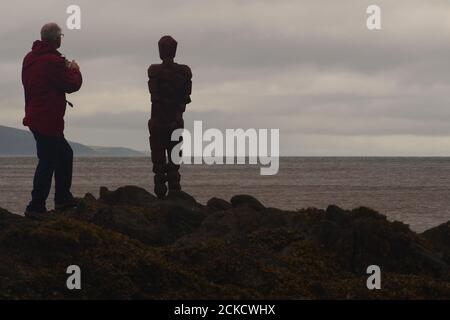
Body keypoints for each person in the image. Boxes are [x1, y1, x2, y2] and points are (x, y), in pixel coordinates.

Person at [22, 23, 82, 218]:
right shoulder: (52, 61)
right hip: (48, 118)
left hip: (36, 115)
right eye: (61, 36)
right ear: (56, 39)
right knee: (49, 161)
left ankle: (61, 198)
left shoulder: (30, 58)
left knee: (62, 155)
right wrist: (74, 69)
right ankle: (36, 206)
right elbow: (71, 85)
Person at [147, 36, 192, 198]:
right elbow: (185, 98)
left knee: (160, 163)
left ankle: (163, 193)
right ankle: (173, 192)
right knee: (173, 162)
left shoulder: (154, 71)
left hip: (159, 122)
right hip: (175, 122)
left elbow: (155, 97)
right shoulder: (184, 72)